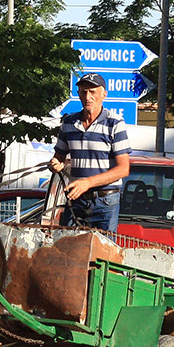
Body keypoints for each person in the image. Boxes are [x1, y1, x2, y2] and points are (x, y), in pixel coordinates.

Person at [49, 72, 131, 232]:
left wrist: (87, 183)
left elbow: (123, 169)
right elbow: (58, 158)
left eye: (92, 92)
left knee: (103, 254)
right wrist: (55, 165)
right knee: (66, 249)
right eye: (84, 91)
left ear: (103, 95)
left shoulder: (114, 123)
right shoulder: (68, 122)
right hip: (76, 198)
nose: (88, 96)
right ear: (78, 94)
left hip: (105, 200)